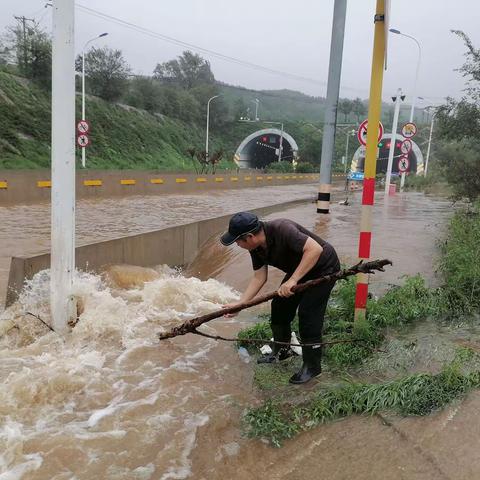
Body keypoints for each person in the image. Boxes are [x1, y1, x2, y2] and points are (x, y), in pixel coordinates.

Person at [220, 211, 340, 384]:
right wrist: (241, 304)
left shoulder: (282, 228)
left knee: (308, 314)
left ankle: (313, 367)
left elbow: (315, 249)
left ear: (250, 236)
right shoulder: (256, 248)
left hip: (324, 267)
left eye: (238, 241)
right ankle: (283, 352)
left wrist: (292, 280)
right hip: (300, 270)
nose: (237, 245)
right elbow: (259, 277)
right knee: (279, 307)